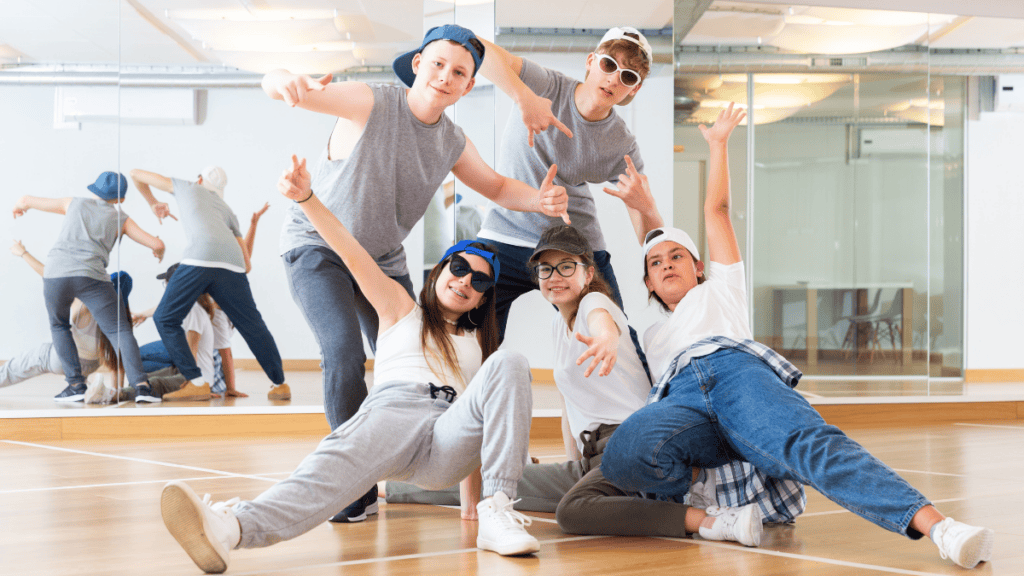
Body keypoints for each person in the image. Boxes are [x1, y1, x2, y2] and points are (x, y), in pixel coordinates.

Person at [598, 103, 995, 569]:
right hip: (684, 404)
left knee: (812, 445)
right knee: (623, 454)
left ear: (699, 267)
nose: (667, 264)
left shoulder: (721, 289)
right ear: (648, 282)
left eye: (677, 257)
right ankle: (717, 495)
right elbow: (653, 241)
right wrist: (642, 209)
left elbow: (716, 210)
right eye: (656, 264)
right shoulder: (651, 334)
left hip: (735, 375)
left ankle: (941, 529)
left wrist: (719, 145)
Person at [159, 155, 540, 574]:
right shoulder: (400, 308)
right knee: (328, 468)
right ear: (440, 271)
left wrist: (472, 507)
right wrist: (306, 198)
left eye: (479, 280)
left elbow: (481, 425)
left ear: (484, 298)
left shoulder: (481, 345)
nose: (466, 280)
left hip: (446, 442)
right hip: (396, 411)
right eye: (460, 267)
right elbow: (351, 252)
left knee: (511, 362)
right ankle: (229, 529)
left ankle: (498, 510)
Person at [260, 24, 568, 521]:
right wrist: (284, 80)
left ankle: (424, 456)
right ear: (419, 63)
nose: (445, 76)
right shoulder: (371, 101)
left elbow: (495, 186)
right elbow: (279, 85)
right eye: (438, 64)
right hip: (318, 245)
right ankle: (355, 488)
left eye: (459, 72)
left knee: (425, 357)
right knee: (343, 351)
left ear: (468, 86)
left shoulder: (451, 140)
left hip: (383, 258)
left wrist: (540, 200)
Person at [387, 225, 804, 545]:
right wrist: (576, 466)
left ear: (588, 274)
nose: (555, 276)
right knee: (501, 485)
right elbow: (570, 406)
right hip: (593, 457)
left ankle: (714, 522)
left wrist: (606, 337)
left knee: (573, 512)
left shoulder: (595, 303)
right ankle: (390, 490)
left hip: (630, 446)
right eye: (546, 269)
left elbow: (604, 321)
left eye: (566, 267)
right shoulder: (558, 326)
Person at [473, 26, 663, 341]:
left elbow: (648, 235)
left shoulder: (621, 143)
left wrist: (646, 207)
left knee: (614, 335)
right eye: (609, 65)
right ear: (591, 61)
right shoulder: (547, 86)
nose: (614, 79)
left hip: (574, 244)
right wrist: (524, 97)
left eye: (628, 76)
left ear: (635, 89)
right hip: (505, 231)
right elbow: (475, 46)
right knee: (467, 330)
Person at [129, 167, 289, 400]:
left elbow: (135, 174)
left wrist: (153, 203)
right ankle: (280, 384)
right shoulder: (226, 209)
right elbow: (247, 265)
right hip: (233, 265)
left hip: (200, 258)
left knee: (165, 317)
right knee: (252, 325)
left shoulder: (187, 187)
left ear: (200, 179)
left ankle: (196, 382)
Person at [11, 171, 165, 402]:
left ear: (94, 190)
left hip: (56, 274)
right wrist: (158, 252)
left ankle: (75, 386)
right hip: (92, 277)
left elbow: (25, 200)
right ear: (121, 199)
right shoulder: (121, 218)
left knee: (59, 326)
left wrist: (19, 208)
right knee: (120, 331)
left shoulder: (72, 203)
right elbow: (157, 243)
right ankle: (142, 387)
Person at [2, 241, 102, 391]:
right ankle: (81, 386)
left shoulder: (81, 299)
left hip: (67, 361)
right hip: (93, 365)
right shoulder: (111, 302)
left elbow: (47, 274)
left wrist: (23, 253)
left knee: (16, 367)